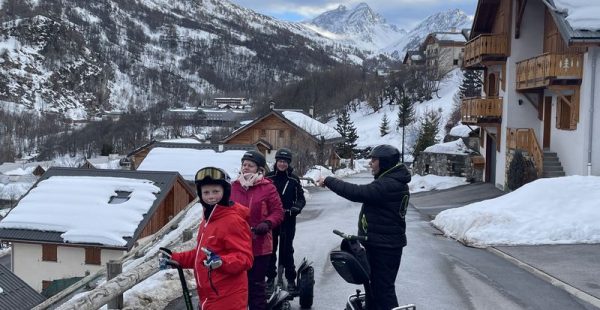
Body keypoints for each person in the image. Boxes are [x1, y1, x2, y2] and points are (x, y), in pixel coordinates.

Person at [316, 144, 411, 310]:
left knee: (383, 290)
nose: (370, 164)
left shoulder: (389, 184)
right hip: (379, 242)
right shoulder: (391, 180)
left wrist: (330, 180)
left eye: (374, 160)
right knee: (373, 289)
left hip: (385, 247)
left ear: (385, 162)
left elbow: (358, 192)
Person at [159, 167, 253, 310]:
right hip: (210, 296)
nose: (211, 196)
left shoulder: (233, 221)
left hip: (228, 297)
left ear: (225, 192)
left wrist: (221, 261)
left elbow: (245, 258)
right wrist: (175, 258)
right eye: (206, 192)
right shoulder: (208, 220)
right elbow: (202, 255)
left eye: (216, 191)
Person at [230, 150, 284, 310]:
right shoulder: (233, 187)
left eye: (250, 165)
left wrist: (267, 224)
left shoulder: (267, 188)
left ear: (259, 169)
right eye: (244, 164)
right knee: (236, 287)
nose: (245, 168)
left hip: (259, 247)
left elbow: (278, 212)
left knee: (256, 288)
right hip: (235, 245)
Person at [265, 148, 306, 294]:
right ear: (276, 162)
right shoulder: (268, 177)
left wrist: (295, 208)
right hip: (271, 220)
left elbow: (301, 198)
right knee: (270, 249)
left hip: (288, 219)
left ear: (288, 163)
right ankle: (270, 278)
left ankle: (290, 279)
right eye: (280, 161)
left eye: (285, 162)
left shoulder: (294, 179)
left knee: (287, 250)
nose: (282, 164)